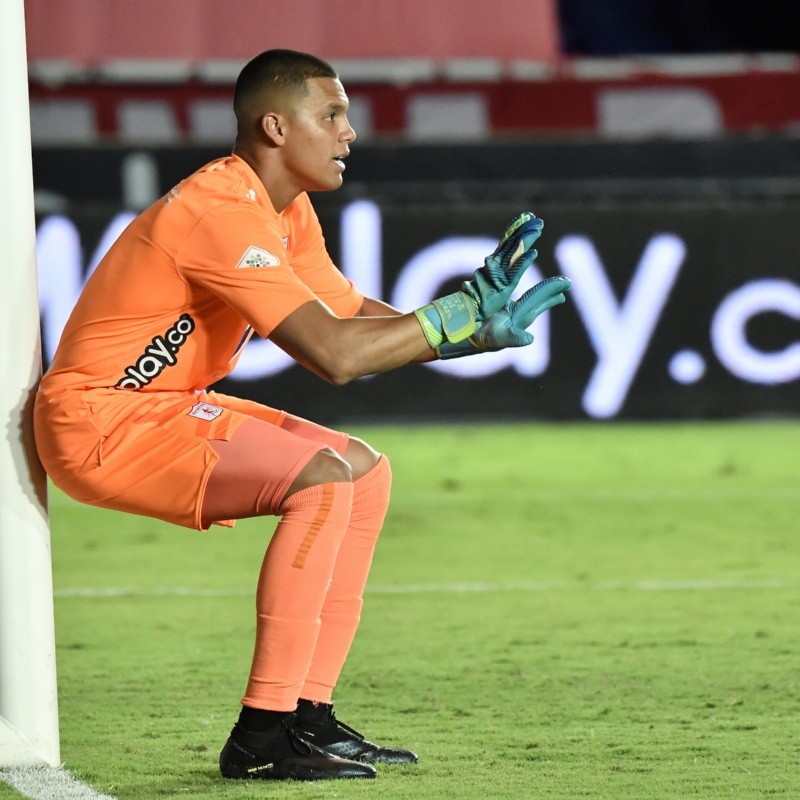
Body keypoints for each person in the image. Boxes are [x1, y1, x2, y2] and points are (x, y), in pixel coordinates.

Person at [33, 49, 571, 782]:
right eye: (333, 115)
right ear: (276, 127)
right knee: (320, 479)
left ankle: (308, 717)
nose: (349, 133)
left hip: (159, 405)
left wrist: (466, 334)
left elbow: (351, 317)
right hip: (100, 422)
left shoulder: (284, 211)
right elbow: (335, 356)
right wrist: (447, 322)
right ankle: (261, 736)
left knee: (364, 472)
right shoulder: (217, 211)